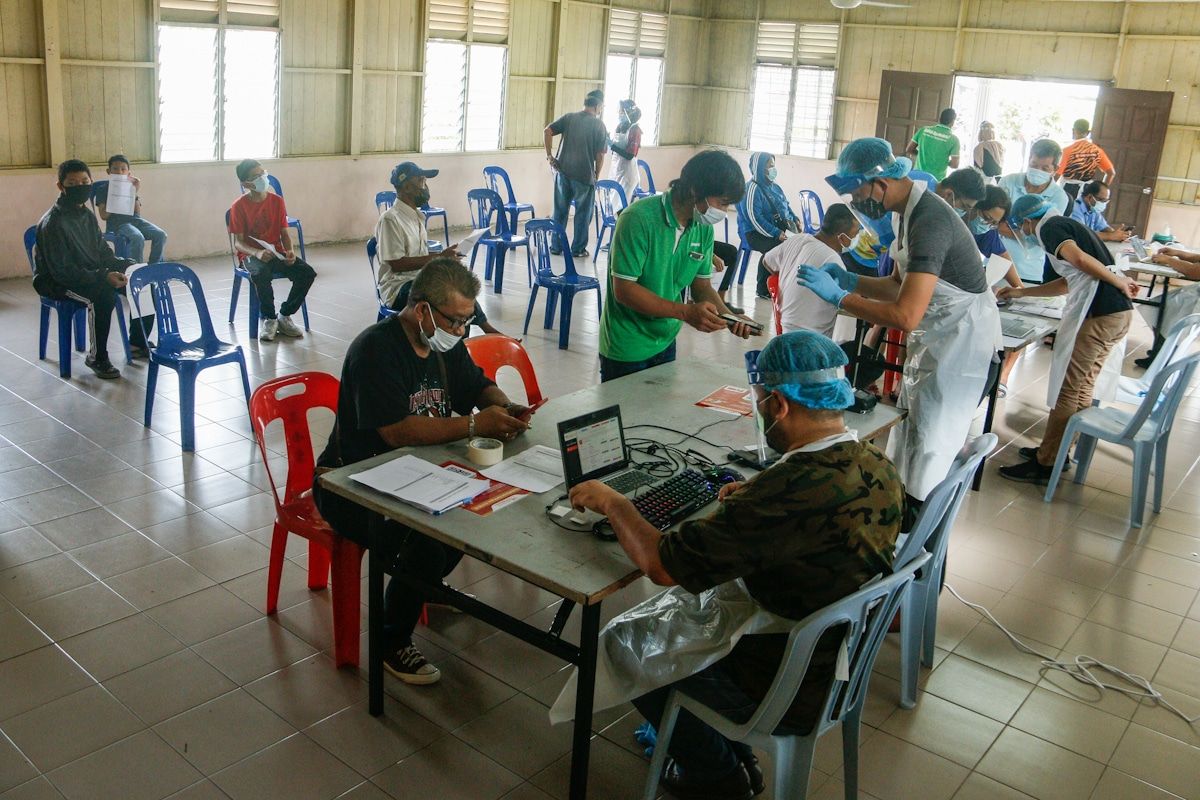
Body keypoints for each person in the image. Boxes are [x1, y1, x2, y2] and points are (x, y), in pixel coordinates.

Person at [567, 331, 904, 800]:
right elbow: (817, 516)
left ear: (780, 406)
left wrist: (614, 503)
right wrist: (758, 496)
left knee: (627, 645)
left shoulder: (782, 494)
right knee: (674, 622)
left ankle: (717, 776)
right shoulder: (878, 465)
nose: (759, 411)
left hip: (784, 683)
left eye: (761, 401)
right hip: (834, 661)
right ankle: (732, 754)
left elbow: (661, 565)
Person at [313, 258, 533, 684]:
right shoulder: (375, 349)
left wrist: (502, 405)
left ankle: (423, 585)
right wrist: (473, 424)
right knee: (427, 539)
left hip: (415, 473)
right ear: (422, 311)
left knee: (476, 512)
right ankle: (391, 639)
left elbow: (476, 384)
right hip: (350, 482)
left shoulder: (441, 346)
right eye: (455, 321)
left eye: (469, 320)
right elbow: (396, 431)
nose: (462, 332)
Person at [797, 137, 1001, 505]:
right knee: (912, 436)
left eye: (859, 195)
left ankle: (918, 541)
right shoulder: (905, 213)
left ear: (882, 182)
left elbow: (905, 315)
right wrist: (852, 280)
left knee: (930, 446)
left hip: (960, 344)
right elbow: (897, 285)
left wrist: (842, 298)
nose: (858, 204)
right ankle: (900, 522)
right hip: (939, 335)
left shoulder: (930, 221)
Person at [997, 195, 1137, 484]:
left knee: (1068, 390)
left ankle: (1046, 464)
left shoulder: (1049, 228)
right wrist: (1020, 292)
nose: (1021, 233)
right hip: (1114, 314)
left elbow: (1080, 260)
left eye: (1020, 227)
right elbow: (1069, 280)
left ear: (1026, 221)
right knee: (1083, 387)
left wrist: (1119, 281)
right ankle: (1059, 452)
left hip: (1100, 314)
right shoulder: (1063, 224)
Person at [598, 149, 757, 382]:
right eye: (722, 204)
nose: (723, 212)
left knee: (657, 415)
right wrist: (685, 312)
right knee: (628, 416)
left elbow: (701, 286)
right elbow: (624, 290)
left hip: (665, 340)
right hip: (627, 346)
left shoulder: (703, 229)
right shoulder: (638, 219)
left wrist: (730, 317)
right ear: (696, 190)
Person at [32, 159, 154, 379]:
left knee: (142, 281)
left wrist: (126, 265)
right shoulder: (53, 223)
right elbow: (63, 272)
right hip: (56, 281)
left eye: (84, 181)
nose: (80, 186)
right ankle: (97, 357)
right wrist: (103, 276)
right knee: (102, 295)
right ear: (61, 186)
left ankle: (138, 343)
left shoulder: (86, 214)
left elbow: (102, 253)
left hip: (89, 272)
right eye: (73, 183)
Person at [376, 162, 504, 336]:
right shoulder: (391, 219)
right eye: (421, 182)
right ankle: (470, 336)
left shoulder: (416, 216)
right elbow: (397, 264)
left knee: (457, 285)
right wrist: (439, 257)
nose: (426, 187)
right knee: (447, 299)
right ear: (406, 187)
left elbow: (416, 255)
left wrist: (444, 256)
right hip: (398, 287)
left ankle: (483, 328)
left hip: (418, 278)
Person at [229, 160, 316, 342]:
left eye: (263, 173)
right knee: (261, 273)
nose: (262, 178)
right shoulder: (239, 206)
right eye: (256, 176)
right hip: (251, 254)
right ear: (246, 184)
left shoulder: (277, 202)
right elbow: (239, 243)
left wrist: (290, 251)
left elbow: (284, 233)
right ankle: (269, 318)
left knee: (306, 273)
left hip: (275, 251)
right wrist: (257, 253)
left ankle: (285, 315)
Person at [763, 203, 859, 337]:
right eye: (855, 234)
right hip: (813, 339)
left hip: (784, 328)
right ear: (842, 238)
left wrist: (790, 277)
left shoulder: (796, 239)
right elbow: (848, 304)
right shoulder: (833, 261)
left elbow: (766, 261)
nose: (857, 239)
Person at [544, 90, 608, 258]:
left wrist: (550, 156)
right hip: (584, 175)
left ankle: (555, 247)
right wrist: (596, 174)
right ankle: (578, 249)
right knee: (583, 214)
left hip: (563, 172)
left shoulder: (569, 118)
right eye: (601, 107)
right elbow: (600, 155)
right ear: (597, 106)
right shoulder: (599, 125)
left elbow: (547, 131)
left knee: (560, 211)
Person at [999, 139, 1070, 282]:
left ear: (1055, 169)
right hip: (996, 264)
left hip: (1029, 270)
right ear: (1028, 160)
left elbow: (1042, 236)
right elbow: (994, 224)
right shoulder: (1008, 182)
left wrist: (1009, 226)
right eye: (1034, 165)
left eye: (1045, 168)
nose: (1038, 171)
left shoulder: (1059, 197)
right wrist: (1026, 230)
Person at [736, 152, 800, 299]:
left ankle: (784, 284)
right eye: (769, 165)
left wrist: (795, 219)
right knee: (775, 248)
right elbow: (754, 219)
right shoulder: (751, 189)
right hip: (754, 233)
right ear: (759, 168)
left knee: (798, 244)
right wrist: (776, 233)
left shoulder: (775, 187)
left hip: (775, 229)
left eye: (773, 165)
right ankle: (763, 289)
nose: (773, 169)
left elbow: (785, 206)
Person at [94, 154, 167, 264]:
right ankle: (136, 270)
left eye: (123, 169)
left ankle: (154, 267)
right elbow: (104, 216)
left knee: (161, 235)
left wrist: (134, 191)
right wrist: (117, 196)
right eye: (115, 169)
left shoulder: (129, 187)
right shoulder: (103, 189)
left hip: (135, 221)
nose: (119, 172)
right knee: (137, 237)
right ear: (108, 171)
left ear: (128, 173)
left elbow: (137, 213)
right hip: (117, 224)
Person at [1057, 118, 1115, 205]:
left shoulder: (1067, 151)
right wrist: (1100, 190)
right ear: (1088, 133)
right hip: (1087, 192)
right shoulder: (1097, 151)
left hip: (1067, 190)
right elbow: (1111, 173)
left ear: (1073, 131)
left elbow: (1057, 174)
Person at [906, 108, 960, 182]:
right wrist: (943, 161)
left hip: (916, 176)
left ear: (939, 118)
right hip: (935, 181)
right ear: (953, 121)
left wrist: (922, 154)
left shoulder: (923, 130)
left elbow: (909, 150)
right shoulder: (954, 140)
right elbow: (955, 165)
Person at [608, 99, 643, 202]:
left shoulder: (635, 130)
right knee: (614, 203)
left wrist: (612, 145)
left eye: (621, 112)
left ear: (628, 113)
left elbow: (630, 155)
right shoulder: (620, 127)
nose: (619, 114)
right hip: (617, 170)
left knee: (623, 205)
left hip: (628, 173)